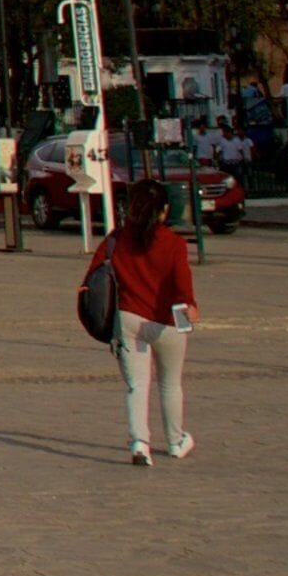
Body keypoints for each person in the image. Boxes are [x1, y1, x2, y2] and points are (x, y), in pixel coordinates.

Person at [88, 178, 200, 463]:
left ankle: (140, 443)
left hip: (129, 319)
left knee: (138, 385)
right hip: (167, 321)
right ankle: (176, 441)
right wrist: (191, 305)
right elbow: (181, 283)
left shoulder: (116, 240)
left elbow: (93, 278)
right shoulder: (174, 243)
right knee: (170, 384)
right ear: (164, 210)